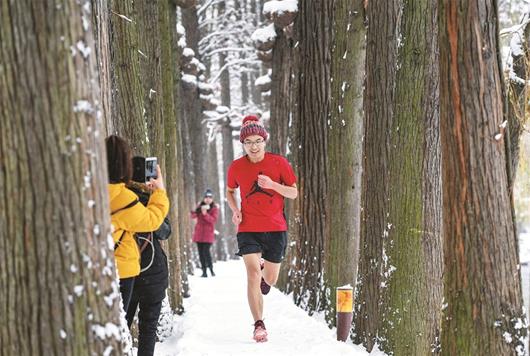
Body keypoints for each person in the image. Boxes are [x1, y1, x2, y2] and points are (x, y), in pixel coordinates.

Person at [226, 115, 298, 343]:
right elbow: (229, 191)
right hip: (248, 228)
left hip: (276, 228)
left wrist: (273, 185)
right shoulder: (236, 167)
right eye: (249, 142)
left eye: (258, 140)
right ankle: (259, 324)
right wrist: (235, 210)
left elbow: (293, 192)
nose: (254, 146)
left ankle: (266, 268)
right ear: (243, 144)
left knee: (270, 279)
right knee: (252, 274)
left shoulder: (279, 163)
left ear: (264, 141)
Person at [106, 135, 169, 313]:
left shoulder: (90, 191)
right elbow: (154, 221)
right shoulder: (124, 197)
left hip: (93, 266)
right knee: (120, 324)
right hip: (122, 269)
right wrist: (159, 192)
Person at [125, 180, 172, 356]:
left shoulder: (118, 201)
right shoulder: (153, 201)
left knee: (121, 325)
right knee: (148, 330)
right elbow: (165, 232)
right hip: (153, 273)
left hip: (125, 275)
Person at [191, 189, 219, 277]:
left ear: (212, 199)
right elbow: (193, 215)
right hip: (199, 234)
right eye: (206, 197)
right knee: (200, 253)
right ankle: (204, 272)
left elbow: (213, 220)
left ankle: (211, 269)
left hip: (208, 235)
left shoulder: (214, 208)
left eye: (210, 197)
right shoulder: (200, 206)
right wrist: (197, 209)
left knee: (206, 252)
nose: (207, 199)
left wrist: (205, 214)